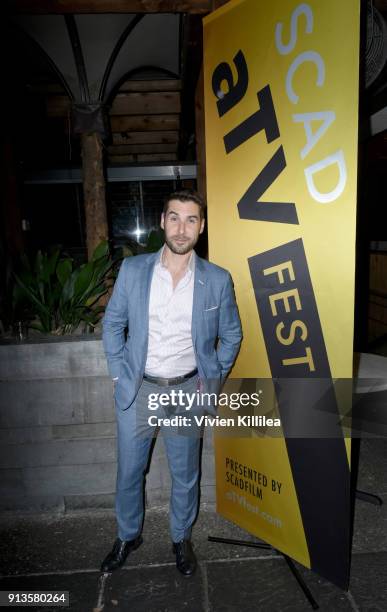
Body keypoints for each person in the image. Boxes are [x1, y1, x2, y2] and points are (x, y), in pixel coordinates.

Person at [101, 189, 242, 576]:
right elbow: (113, 324)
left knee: (185, 474)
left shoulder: (217, 279)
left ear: (202, 226)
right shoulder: (134, 271)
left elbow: (231, 335)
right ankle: (128, 535)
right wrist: (118, 373)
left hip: (187, 390)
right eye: (175, 218)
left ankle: (181, 538)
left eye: (191, 219)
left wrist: (211, 379)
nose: (182, 228)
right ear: (162, 221)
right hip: (138, 389)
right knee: (130, 471)